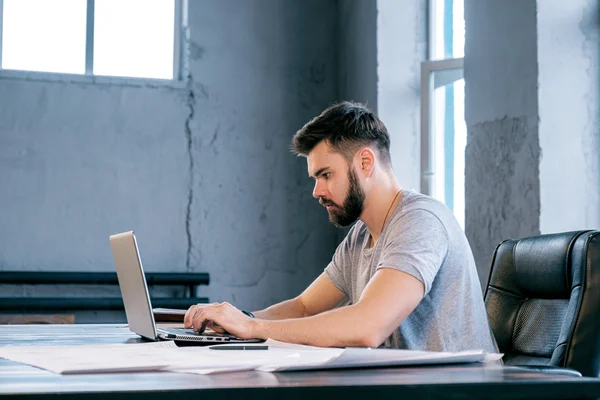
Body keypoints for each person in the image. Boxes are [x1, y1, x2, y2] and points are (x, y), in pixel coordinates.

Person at [184, 101, 496, 351]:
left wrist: (253, 329)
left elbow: (368, 326)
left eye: (325, 174)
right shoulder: (361, 235)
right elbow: (306, 307)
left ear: (365, 162)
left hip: (456, 393)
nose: (316, 191)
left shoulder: (420, 220)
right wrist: (239, 320)